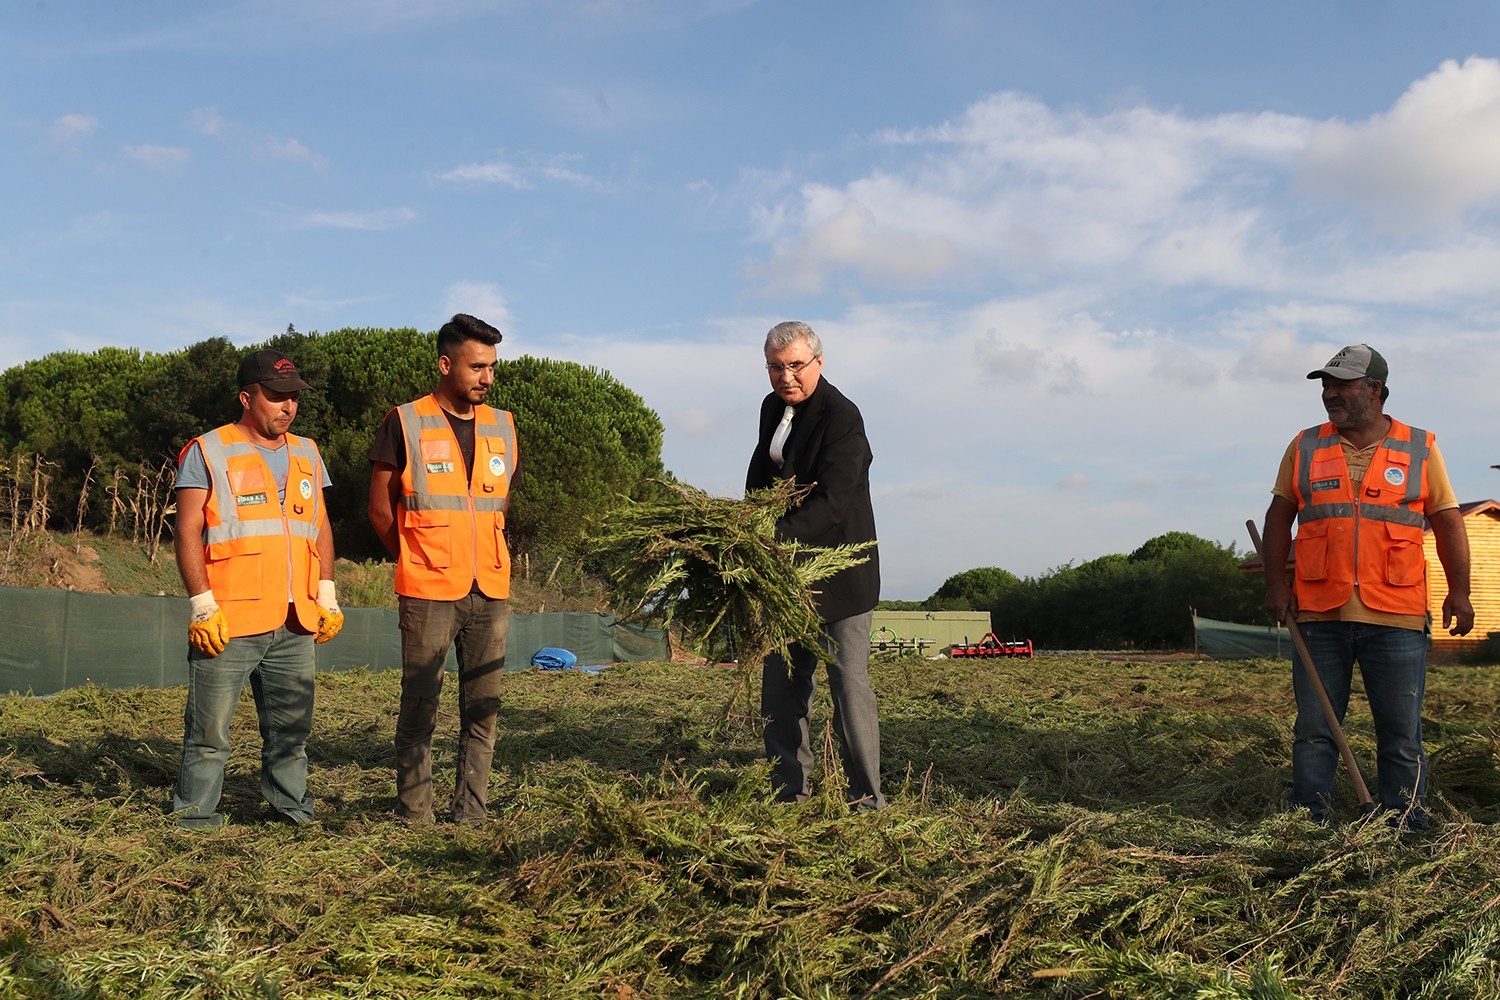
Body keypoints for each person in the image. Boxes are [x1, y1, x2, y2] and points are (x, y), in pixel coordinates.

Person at [1262, 343, 1473, 828]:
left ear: (1374, 390)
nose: (1329, 394)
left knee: (1400, 732)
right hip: (1318, 612)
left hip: (1395, 616)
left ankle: (1406, 822)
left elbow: (1447, 521)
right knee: (1315, 728)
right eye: (1325, 385)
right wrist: (1275, 585)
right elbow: (1279, 517)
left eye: (1342, 384)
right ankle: (1307, 820)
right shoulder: (1305, 445)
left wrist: (1458, 591)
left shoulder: (1420, 447)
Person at [172, 349, 343, 830]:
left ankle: (292, 813)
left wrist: (326, 592)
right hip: (229, 620)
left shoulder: (308, 452)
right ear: (247, 397)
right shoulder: (208, 450)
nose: (287, 407)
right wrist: (202, 605)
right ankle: (193, 820)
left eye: (293, 398)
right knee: (209, 734)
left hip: (296, 620)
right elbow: (187, 532)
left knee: (291, 733)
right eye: (276, 396)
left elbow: (320, 526)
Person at [368, 314, 518, 826]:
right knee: (420, 708)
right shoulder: (405, 421)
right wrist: (414, 555)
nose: (487, 378)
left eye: (492, 368)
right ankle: (414, 813)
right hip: (428, 589)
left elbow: (495, 505)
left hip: (490, 588)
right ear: (445, 363)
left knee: (484, 710)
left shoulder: (503, 425)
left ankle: (471, 813)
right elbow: (380, 509)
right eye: (478, 367)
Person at [746, 320, 885, 810]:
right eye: (776, 367)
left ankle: (867, 798)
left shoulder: (843, 418)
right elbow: (763, 471)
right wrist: (744, 521)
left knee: (849, 687)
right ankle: (788, 794)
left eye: (796, 366)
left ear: (819, 363)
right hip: (786, 577)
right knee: (781, 690)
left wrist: (773, 537)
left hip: (840, 573)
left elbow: (835, 501)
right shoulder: (772, 407)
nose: (786, 377)